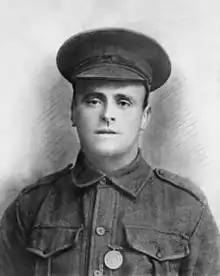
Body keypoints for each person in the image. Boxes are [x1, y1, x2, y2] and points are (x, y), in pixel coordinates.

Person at [0, 27, 219, 276]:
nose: (107, 115)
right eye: (93, 100)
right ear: (73, 111)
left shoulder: (187, 209)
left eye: (123, 102)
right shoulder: (30, 206)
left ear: (144, 117)